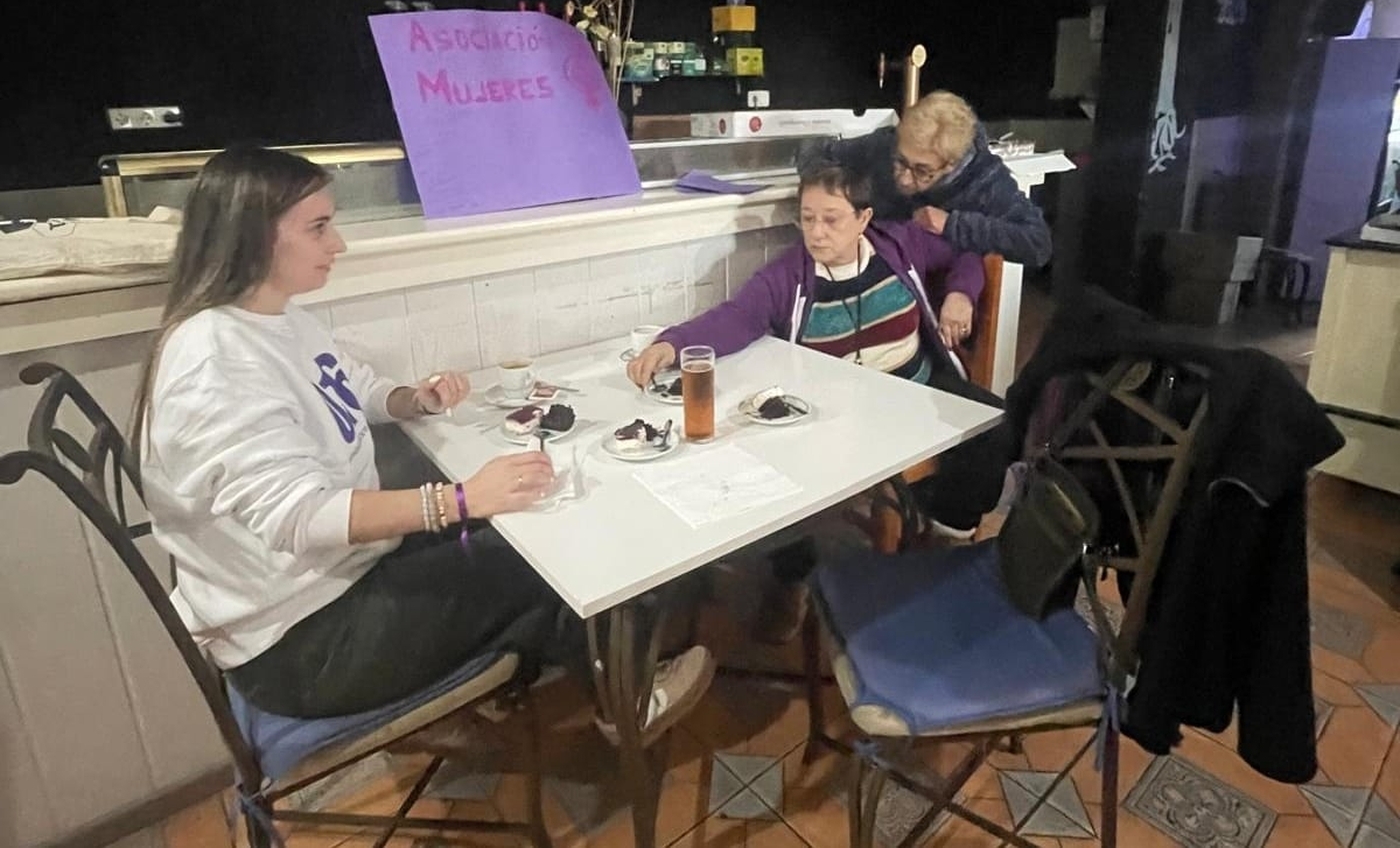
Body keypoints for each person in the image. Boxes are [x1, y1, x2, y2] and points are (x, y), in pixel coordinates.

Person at [133, 144, 713, 737]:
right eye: (319, 228)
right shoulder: (214, 359)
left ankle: (541, 678)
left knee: (532, 527)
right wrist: (460, 499)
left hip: (342, 578)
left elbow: (351, 384)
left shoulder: (273, 318)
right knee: (551, 563)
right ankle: (627, 706)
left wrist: (411, 399)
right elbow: (300, 517)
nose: (339, 244)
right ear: (254, 236)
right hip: (302, 644)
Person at [626, 158, 1016, 642]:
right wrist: (672, 345)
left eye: (831, 219)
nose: (816, 232)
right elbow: (737, 316)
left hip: (916, 388)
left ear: (864, 218)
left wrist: (961, 293)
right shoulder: (790, 275)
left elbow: (966, 250)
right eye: (807, 218)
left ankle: (946, 540)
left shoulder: (900, 243)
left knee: (993, 425)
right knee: (778, 466)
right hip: (836, 413)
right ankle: (790, 579)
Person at [798, 90, 1052, 269]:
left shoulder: (985, 181)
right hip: (874, 270)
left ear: (950, 165)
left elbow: (1037, 244)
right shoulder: (886, 144)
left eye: (922, 171)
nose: (905, 179)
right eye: (900, 161)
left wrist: (952, 224)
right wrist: (844, 196)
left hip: (937, 289)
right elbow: (811, 152)